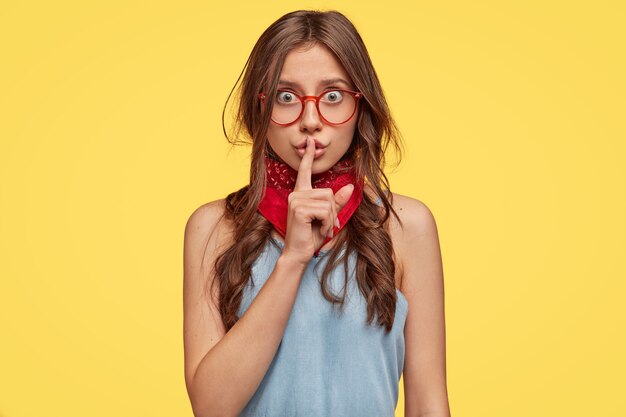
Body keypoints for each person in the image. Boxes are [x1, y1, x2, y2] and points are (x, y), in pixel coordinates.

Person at [183, 9, 451, 417]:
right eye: (286, 97)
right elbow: (211, 407)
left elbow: (428, 405)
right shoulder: (214, 227)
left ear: (360, 105)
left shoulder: (406, 227)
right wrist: (292, 259)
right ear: (260, 107)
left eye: (332, 96)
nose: (310, 121)